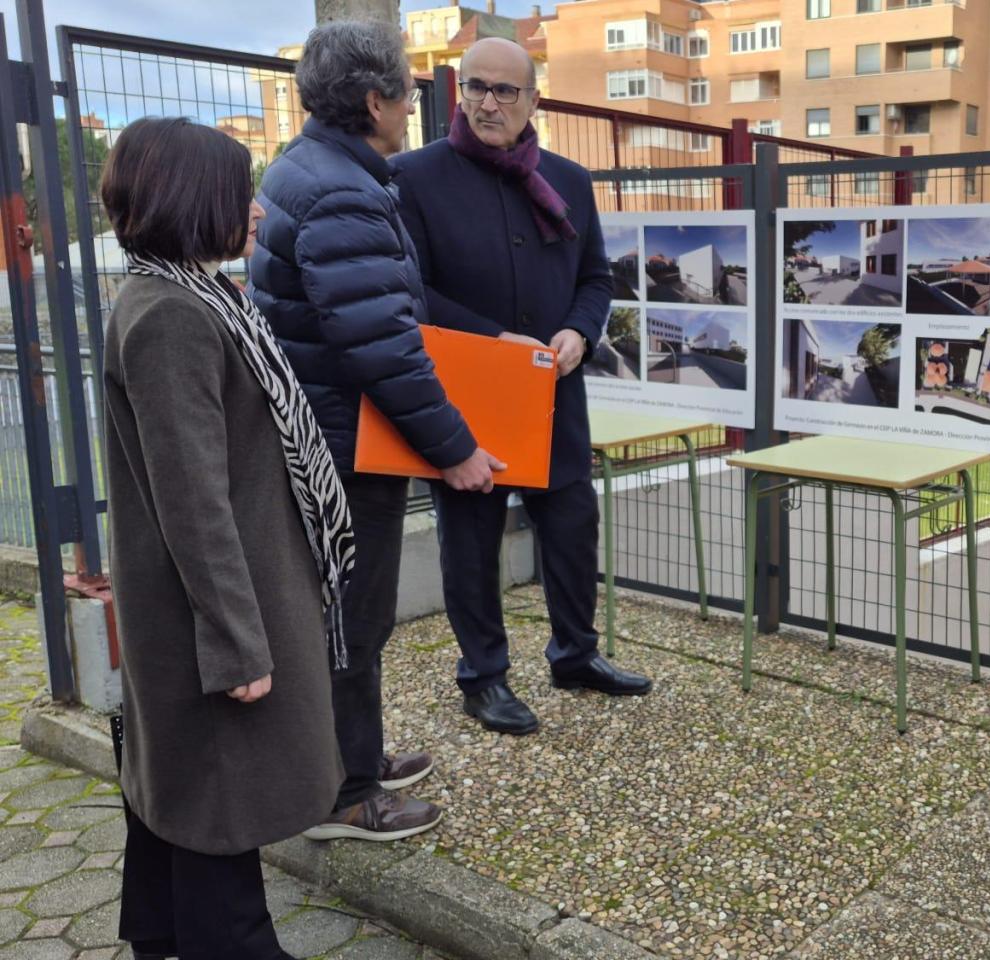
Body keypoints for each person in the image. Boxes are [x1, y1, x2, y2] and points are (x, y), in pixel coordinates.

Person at [250, 20, 505, 842]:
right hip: (345, 444)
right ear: (373, 100)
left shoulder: (306, 170)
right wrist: (456, 449)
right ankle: (344, 795)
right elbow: (382, 348)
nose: (411, 109)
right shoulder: (344, 190)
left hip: (322, 432)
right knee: (355, 618)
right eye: (405, 91)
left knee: (344, 613)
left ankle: (348, 759)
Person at [103, 116, 345, 960]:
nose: (256, 211)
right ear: (190, 199)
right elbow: (194, 501)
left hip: (202, 600)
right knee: (219, 796)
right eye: (241, 192)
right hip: (212, 611)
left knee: (179, 784)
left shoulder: (183, 294)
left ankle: (161, 933)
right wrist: (239, 646)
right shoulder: (173, 314)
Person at [393, 36, 651, 736]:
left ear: (534, 100)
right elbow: (409, 291)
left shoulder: (568, 180)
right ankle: (483, 678)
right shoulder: (412, 177)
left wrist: (579, 332)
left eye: (506, 90)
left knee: (571, 527)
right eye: (476, 86)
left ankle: (576, 654)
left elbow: (596, 278)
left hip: (554, 394)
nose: (488, 102)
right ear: (458, 92)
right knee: (472, 541)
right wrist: (490, 339)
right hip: (468, 394)